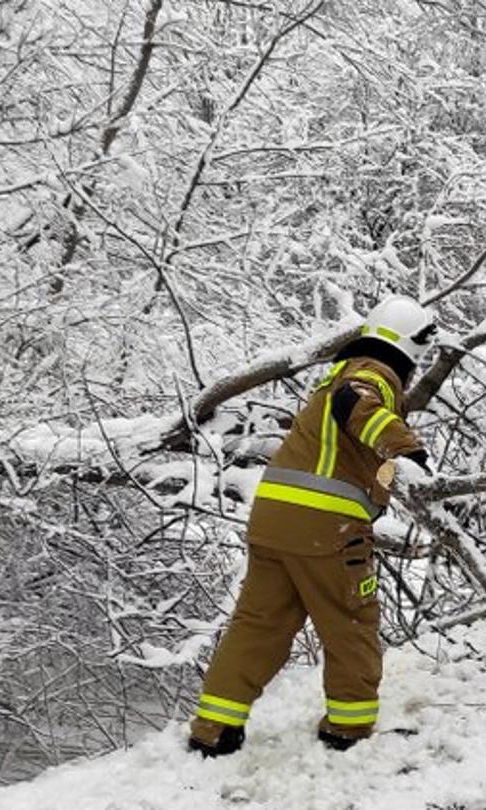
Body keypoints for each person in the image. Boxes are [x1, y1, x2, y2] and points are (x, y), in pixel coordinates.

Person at [187, 296, 437, 758]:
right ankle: (348, 728)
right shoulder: (370, 374)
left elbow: (354, 445)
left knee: (257, 625)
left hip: (272, 521)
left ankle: (215, 728)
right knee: (350, 622)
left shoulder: (334, 378)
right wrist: (409, 451)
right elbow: (356, 404)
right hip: (327, 528)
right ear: (408, 346)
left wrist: (386, 479)